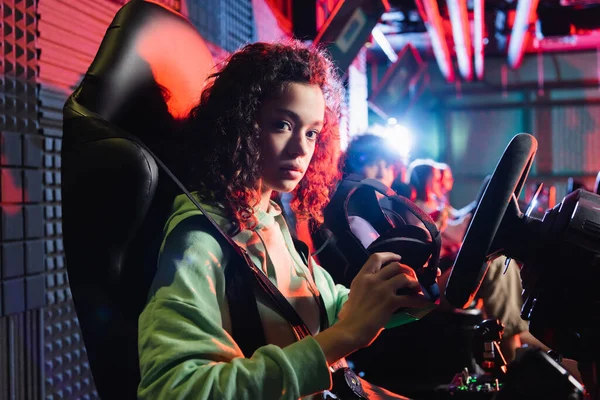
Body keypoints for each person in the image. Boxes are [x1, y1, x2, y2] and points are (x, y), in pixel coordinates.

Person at [137, 40, 432, 400]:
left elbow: (326, 303)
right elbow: (171, 391)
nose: (301, 148)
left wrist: (414, 295)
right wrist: (343, 337)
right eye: (282, 125)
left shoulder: (271, 216)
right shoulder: (200, 241)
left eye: (311, 132)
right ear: (240, 124)